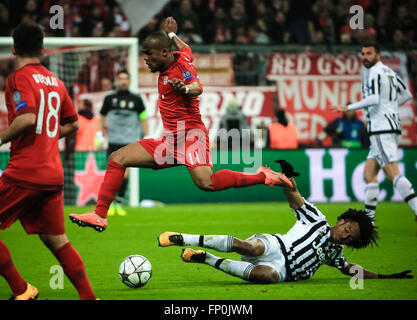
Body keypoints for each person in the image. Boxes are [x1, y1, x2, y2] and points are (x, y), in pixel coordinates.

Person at [69, 17, 293, 232]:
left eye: (149, 54)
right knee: (118, 158)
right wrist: (173, 34)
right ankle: (100, 214)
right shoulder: (179, 56)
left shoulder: (181, 71)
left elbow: (197, 86)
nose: (145, 59)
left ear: (164, 53)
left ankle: (263, 176)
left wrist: (184, 89)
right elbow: (187, 50)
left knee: (207, 184)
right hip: (170, 140)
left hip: (192, 137)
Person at [158, 160, 413, 284]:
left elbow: (349, 269)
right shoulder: (317, 219)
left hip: (283, 272)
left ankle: (206, 258)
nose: (344, 237)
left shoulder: (335, 254)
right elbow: (295, 197)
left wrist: (384, 276)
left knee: (267, 277)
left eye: (350, 238)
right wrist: (288, 179)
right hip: (275, 246)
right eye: (347, 229)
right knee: (253, 248)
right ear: (341, 220)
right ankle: (182, 237)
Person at [0, 23, 97, 300]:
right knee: (56, 240)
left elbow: (28, 118)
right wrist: (47, 138)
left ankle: (22, 290)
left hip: (25, 171)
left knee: (55, 240)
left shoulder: (18, 78)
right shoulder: (56, 81)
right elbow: (73, 124)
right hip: (53, 174)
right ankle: (90, 298)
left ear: (14, 48)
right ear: (43, 49)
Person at [330, 42, 417, 223]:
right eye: (363, 53)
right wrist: (390, 107)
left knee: (392, 172)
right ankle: (369, 222)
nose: (365, 57)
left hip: (380, 127)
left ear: (378, 55)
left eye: (369, 53)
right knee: (369, 174)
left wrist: (347, 107)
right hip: (389, 126)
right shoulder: (389, 72)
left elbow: (374, 98)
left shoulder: (375, 72)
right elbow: (407, 95)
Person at [94, 69, 149, 216]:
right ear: (117, 81)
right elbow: (102, 117)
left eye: (126, 79)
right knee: (112, 174)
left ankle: (118, 203)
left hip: (129, 142)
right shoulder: (109, 99)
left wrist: (147, 136)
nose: (123, 81)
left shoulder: (136, 99)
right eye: (121, 79)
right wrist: (99, 134)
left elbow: (143, 117)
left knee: (125, 174)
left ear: (129, 81)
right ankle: (110, 204)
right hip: (113, 141)